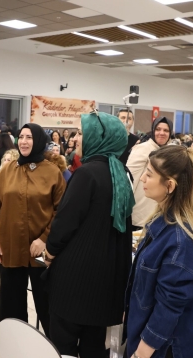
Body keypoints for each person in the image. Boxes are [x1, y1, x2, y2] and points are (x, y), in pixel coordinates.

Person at [44, 111, 134, 358]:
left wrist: (49, 253)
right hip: (106, 281)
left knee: (63, 347)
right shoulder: (122, 173)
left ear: (98, 137)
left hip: (76, 282)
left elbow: (65, 223)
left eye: (82, 133)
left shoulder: (87, 173)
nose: (75, 138)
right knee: (94, 347)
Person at [124, 145, 193, 358]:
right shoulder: (162, 221)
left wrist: (141, 353)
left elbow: (168, 308)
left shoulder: (181, 240)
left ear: (170, 185)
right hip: (146, 336)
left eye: (149, 174)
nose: (142, 178)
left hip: (162, 348)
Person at [0, 123, 66, 334]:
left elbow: (61, 212)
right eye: (21, 137)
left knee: (46, 299)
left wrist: (44, 239)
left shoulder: (52, 173)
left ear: (39, 140)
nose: (23, 141)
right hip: (11, 246)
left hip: (41, 251)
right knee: (11, 299)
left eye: (29, 137)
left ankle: (55, 344)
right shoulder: (6, 171)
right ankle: (13, 341)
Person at [127, 117, 173, 227]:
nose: (161, 133)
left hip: (161, 212)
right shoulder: (142, 149)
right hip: (141, 211)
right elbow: (129, 180)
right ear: (153, 131)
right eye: (158, 129)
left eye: (166, 130)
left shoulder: (171, 151)